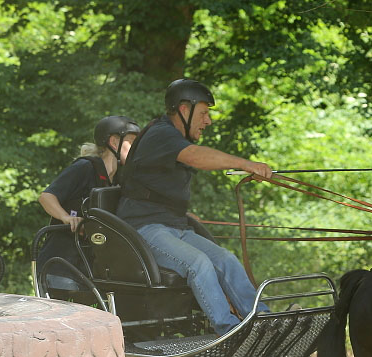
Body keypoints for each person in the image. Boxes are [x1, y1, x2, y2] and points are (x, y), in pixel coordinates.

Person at [116, 78, 273, 335]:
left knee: (226, 259)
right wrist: (245, 164)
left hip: (175, 226)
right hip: (145, 229)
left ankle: (263, 322)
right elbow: (195, 156)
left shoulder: (171, 136)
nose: (208, 121)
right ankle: (229, 332)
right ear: (184, 110)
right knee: (199, 263)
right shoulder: (161, 134)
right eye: (203, 113)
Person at [37, 115, 140, 289]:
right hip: (61, 266)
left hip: (88, 270)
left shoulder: (118, 180)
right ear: (114, 142)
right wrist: (67, 218)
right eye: (131, 144)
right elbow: (46, 197)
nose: (137, 150)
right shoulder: (85, 167)